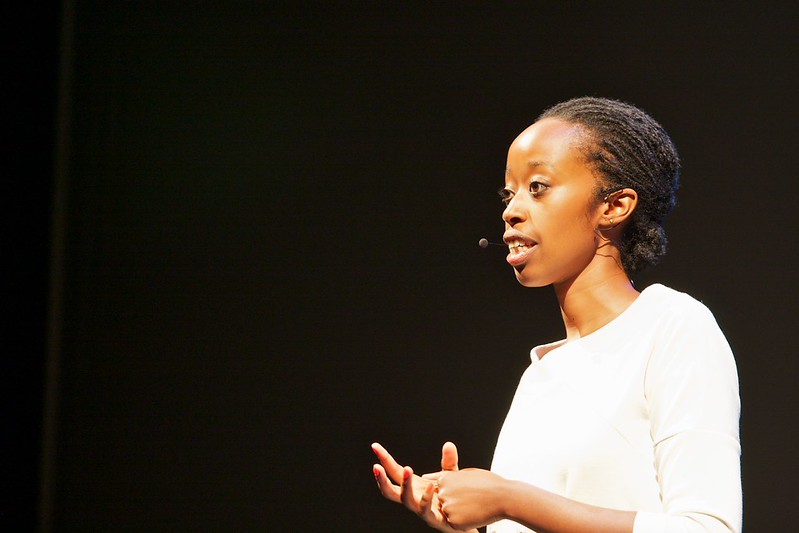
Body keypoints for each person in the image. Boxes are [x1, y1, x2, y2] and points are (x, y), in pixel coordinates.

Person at [371, 97, 741, 533]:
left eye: (538, 187)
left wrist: (508, 499)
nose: (510, 210)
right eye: (508, 193)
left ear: (614, 206)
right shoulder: (540, 374)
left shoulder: (672, 326)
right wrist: (469, 523)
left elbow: (708, 528)